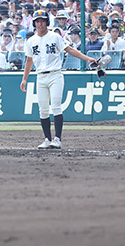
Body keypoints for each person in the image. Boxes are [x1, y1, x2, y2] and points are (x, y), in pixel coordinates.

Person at [19, 10, 95, 149]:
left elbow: (70, 50)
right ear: (34, 23)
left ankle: (57, 139)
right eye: (37, 21)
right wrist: (25, 79)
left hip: (55, 74)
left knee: (55, 105)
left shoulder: (55, 37)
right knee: (43, 109)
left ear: (47, 22)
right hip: (40, 76)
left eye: (42, 20)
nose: (40, 23)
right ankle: (47, 139)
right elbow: (29, 61)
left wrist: (87, 58)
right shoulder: (31, 41)